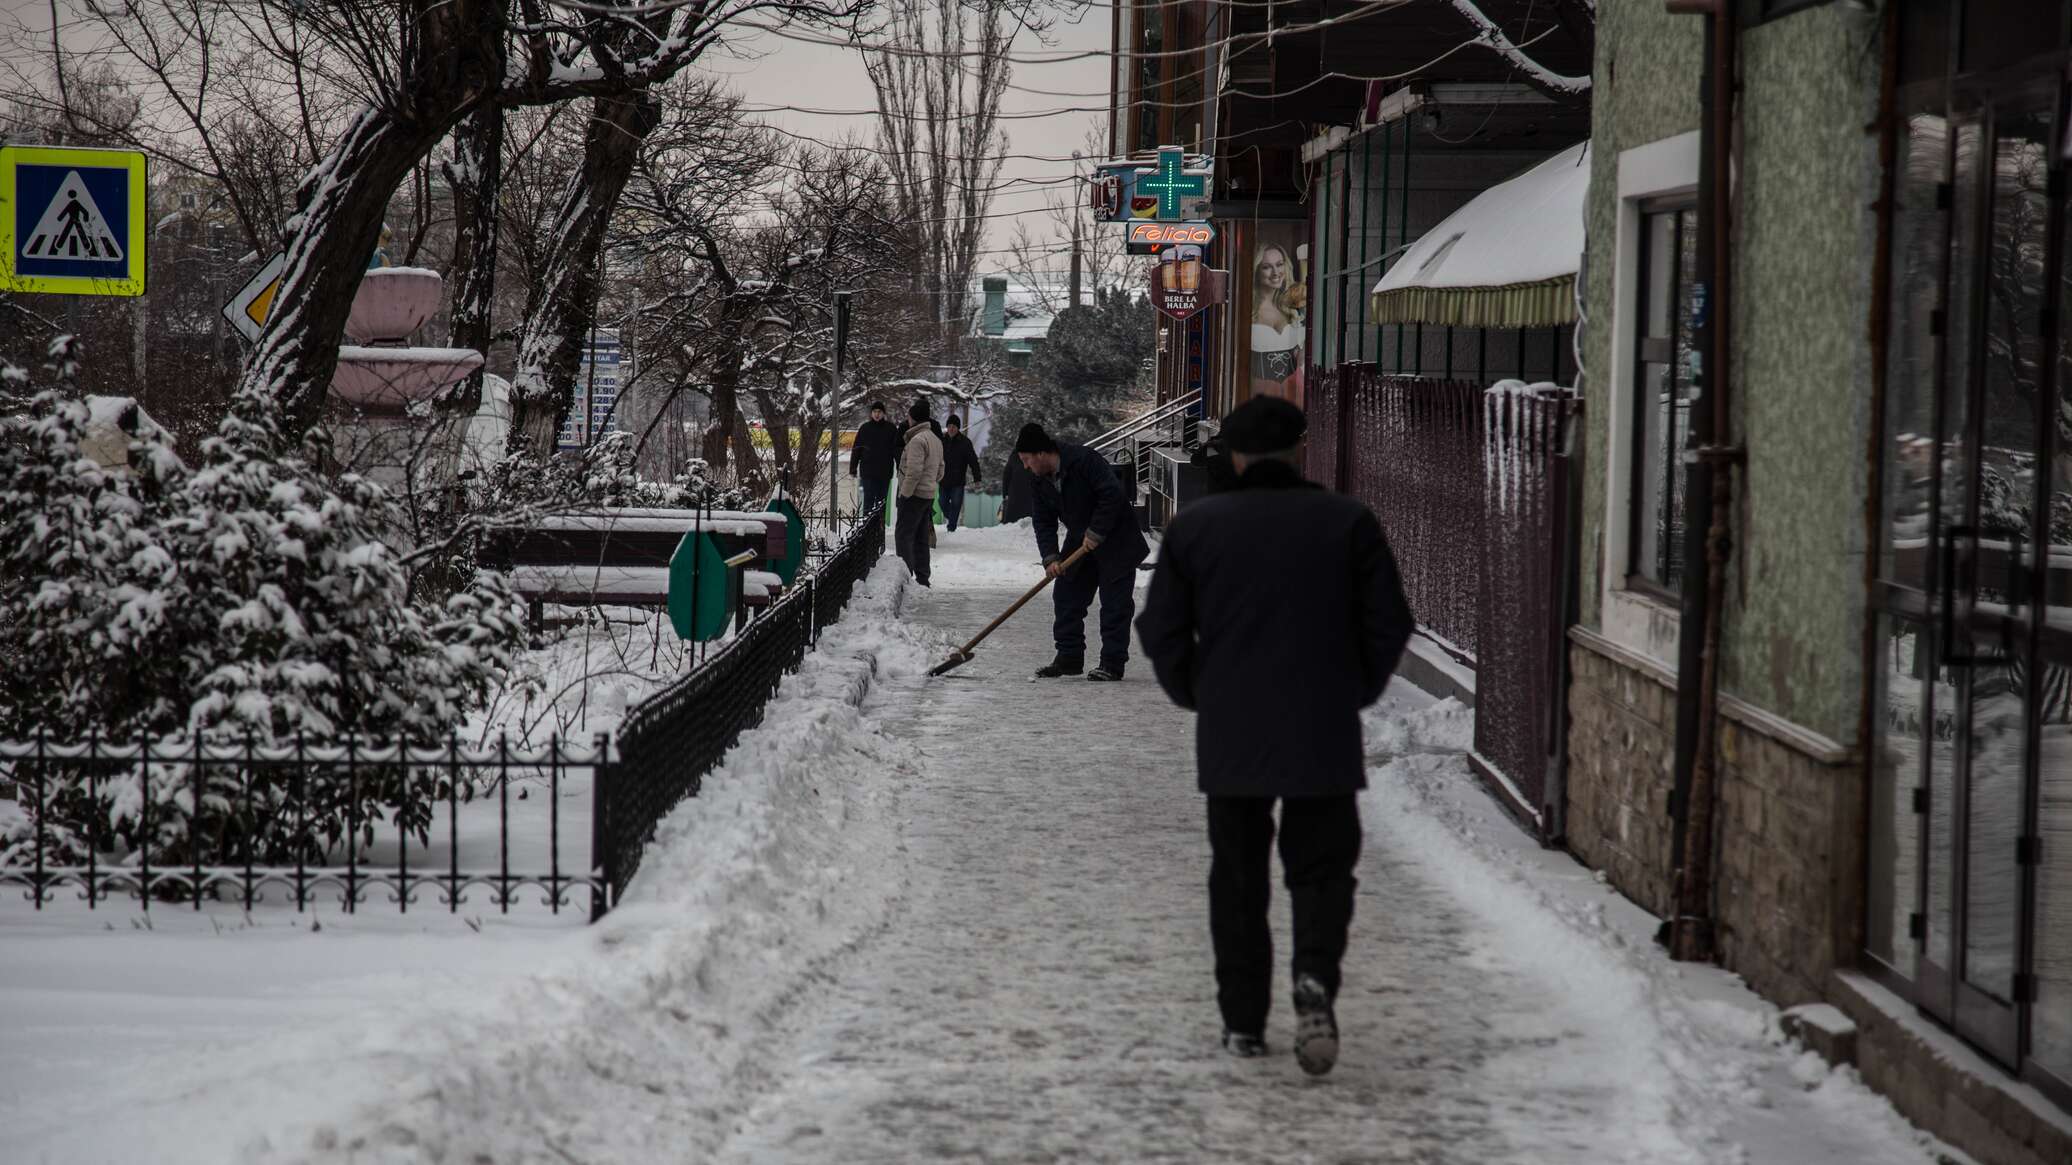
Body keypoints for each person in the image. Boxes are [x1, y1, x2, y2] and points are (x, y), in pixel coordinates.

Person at [1135, 396, 1413, 1077]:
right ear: (1299, 451)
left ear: (1234, 457)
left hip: (1233, 729)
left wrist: (1197, 691)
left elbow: (1160, 627)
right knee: (1321, 870)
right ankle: (1314, 973)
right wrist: (1352, 689)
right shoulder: (1347, 521)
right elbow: (1389, 622)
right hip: (1322, 727)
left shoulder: (1197, 527)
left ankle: (1242, 1020)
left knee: (1238, 876)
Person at [1015, 422, 1149, 681]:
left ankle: (1112, 663)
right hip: (1080, 539)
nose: (1025, 466)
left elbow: (1112, 494)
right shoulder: (1039, 480)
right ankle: (1069, 656)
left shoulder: (1084, 460)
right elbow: (1043, 521)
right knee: (1066, 594)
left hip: (1117, 538)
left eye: (1026, 460)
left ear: (1041, 453)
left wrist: (1097, 530)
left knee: (1115, 604)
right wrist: (1051, 557)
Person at [895, 401, 944, 586]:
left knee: (904, 536)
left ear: (914, 418)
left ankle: (905, 577)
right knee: (921, 537)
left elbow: (914, 471)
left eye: (909, 416)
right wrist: (930, 483)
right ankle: (923, 577)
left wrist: (905, 494)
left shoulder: (917, 440)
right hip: (928, 495)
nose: (907, 420)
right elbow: (941, 470)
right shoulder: (935, 439)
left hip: (913, 495)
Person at [1249, 243, 1306, 400]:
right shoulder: (1248, 310)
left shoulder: (1292, 308)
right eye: (1267, 267)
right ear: (1256, 271)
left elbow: (1300, 356)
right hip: (1259, 390)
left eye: (1279, 264)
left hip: (1294, 388)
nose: (1276, 272)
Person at [850, 401, 901, 520]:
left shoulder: (891, 429)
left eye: (879, 412)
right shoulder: (865, 428)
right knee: (868, 502)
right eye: (874, 412)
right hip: (868, 472)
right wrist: (853, 468)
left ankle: (879, 527)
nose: (877, 414)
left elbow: (896, 450)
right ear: (871, 413)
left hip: (884, 472)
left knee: (881, 503)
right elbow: (857, 449)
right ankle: (866, 527)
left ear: (883, 413)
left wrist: (900, 467)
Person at [940, 415, 983, 532]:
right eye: (949, 426)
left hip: (958, 481)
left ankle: (951, 528)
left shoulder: (965, 443)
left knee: (956, 504)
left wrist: (977, 478)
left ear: (958, 428)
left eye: (954, 426)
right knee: (942, 502)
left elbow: (973, 462)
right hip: (943, 479)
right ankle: (952, 518)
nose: (951, 429)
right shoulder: (942, 440)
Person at [998, 450, 1036, 524]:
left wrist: (1005, 494)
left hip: (1015, 495)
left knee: (1011, 523)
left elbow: (1006, 474)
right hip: (1032, 495)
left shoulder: (1015, 454)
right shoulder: (1038, 453)